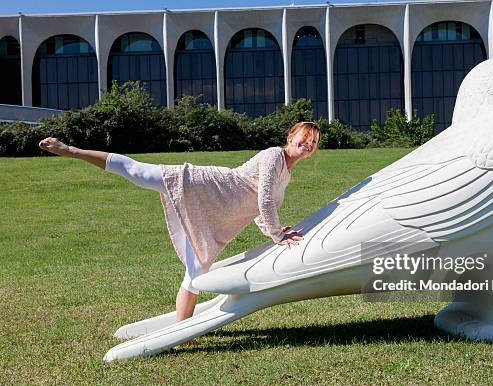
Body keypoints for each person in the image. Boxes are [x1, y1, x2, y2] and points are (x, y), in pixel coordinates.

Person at [38, 121, 320, 323]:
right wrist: (277, 235)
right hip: (207, 186)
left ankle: (181, 328)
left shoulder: (288, 174)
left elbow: (257, 208)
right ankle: (71, 150)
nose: (308, 144)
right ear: (291, 135)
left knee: (196, 274)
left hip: (218, 214)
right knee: (138, 172)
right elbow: (265, 200)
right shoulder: (274, 155)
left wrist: (274, 230)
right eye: (304, 137)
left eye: (314, 142)